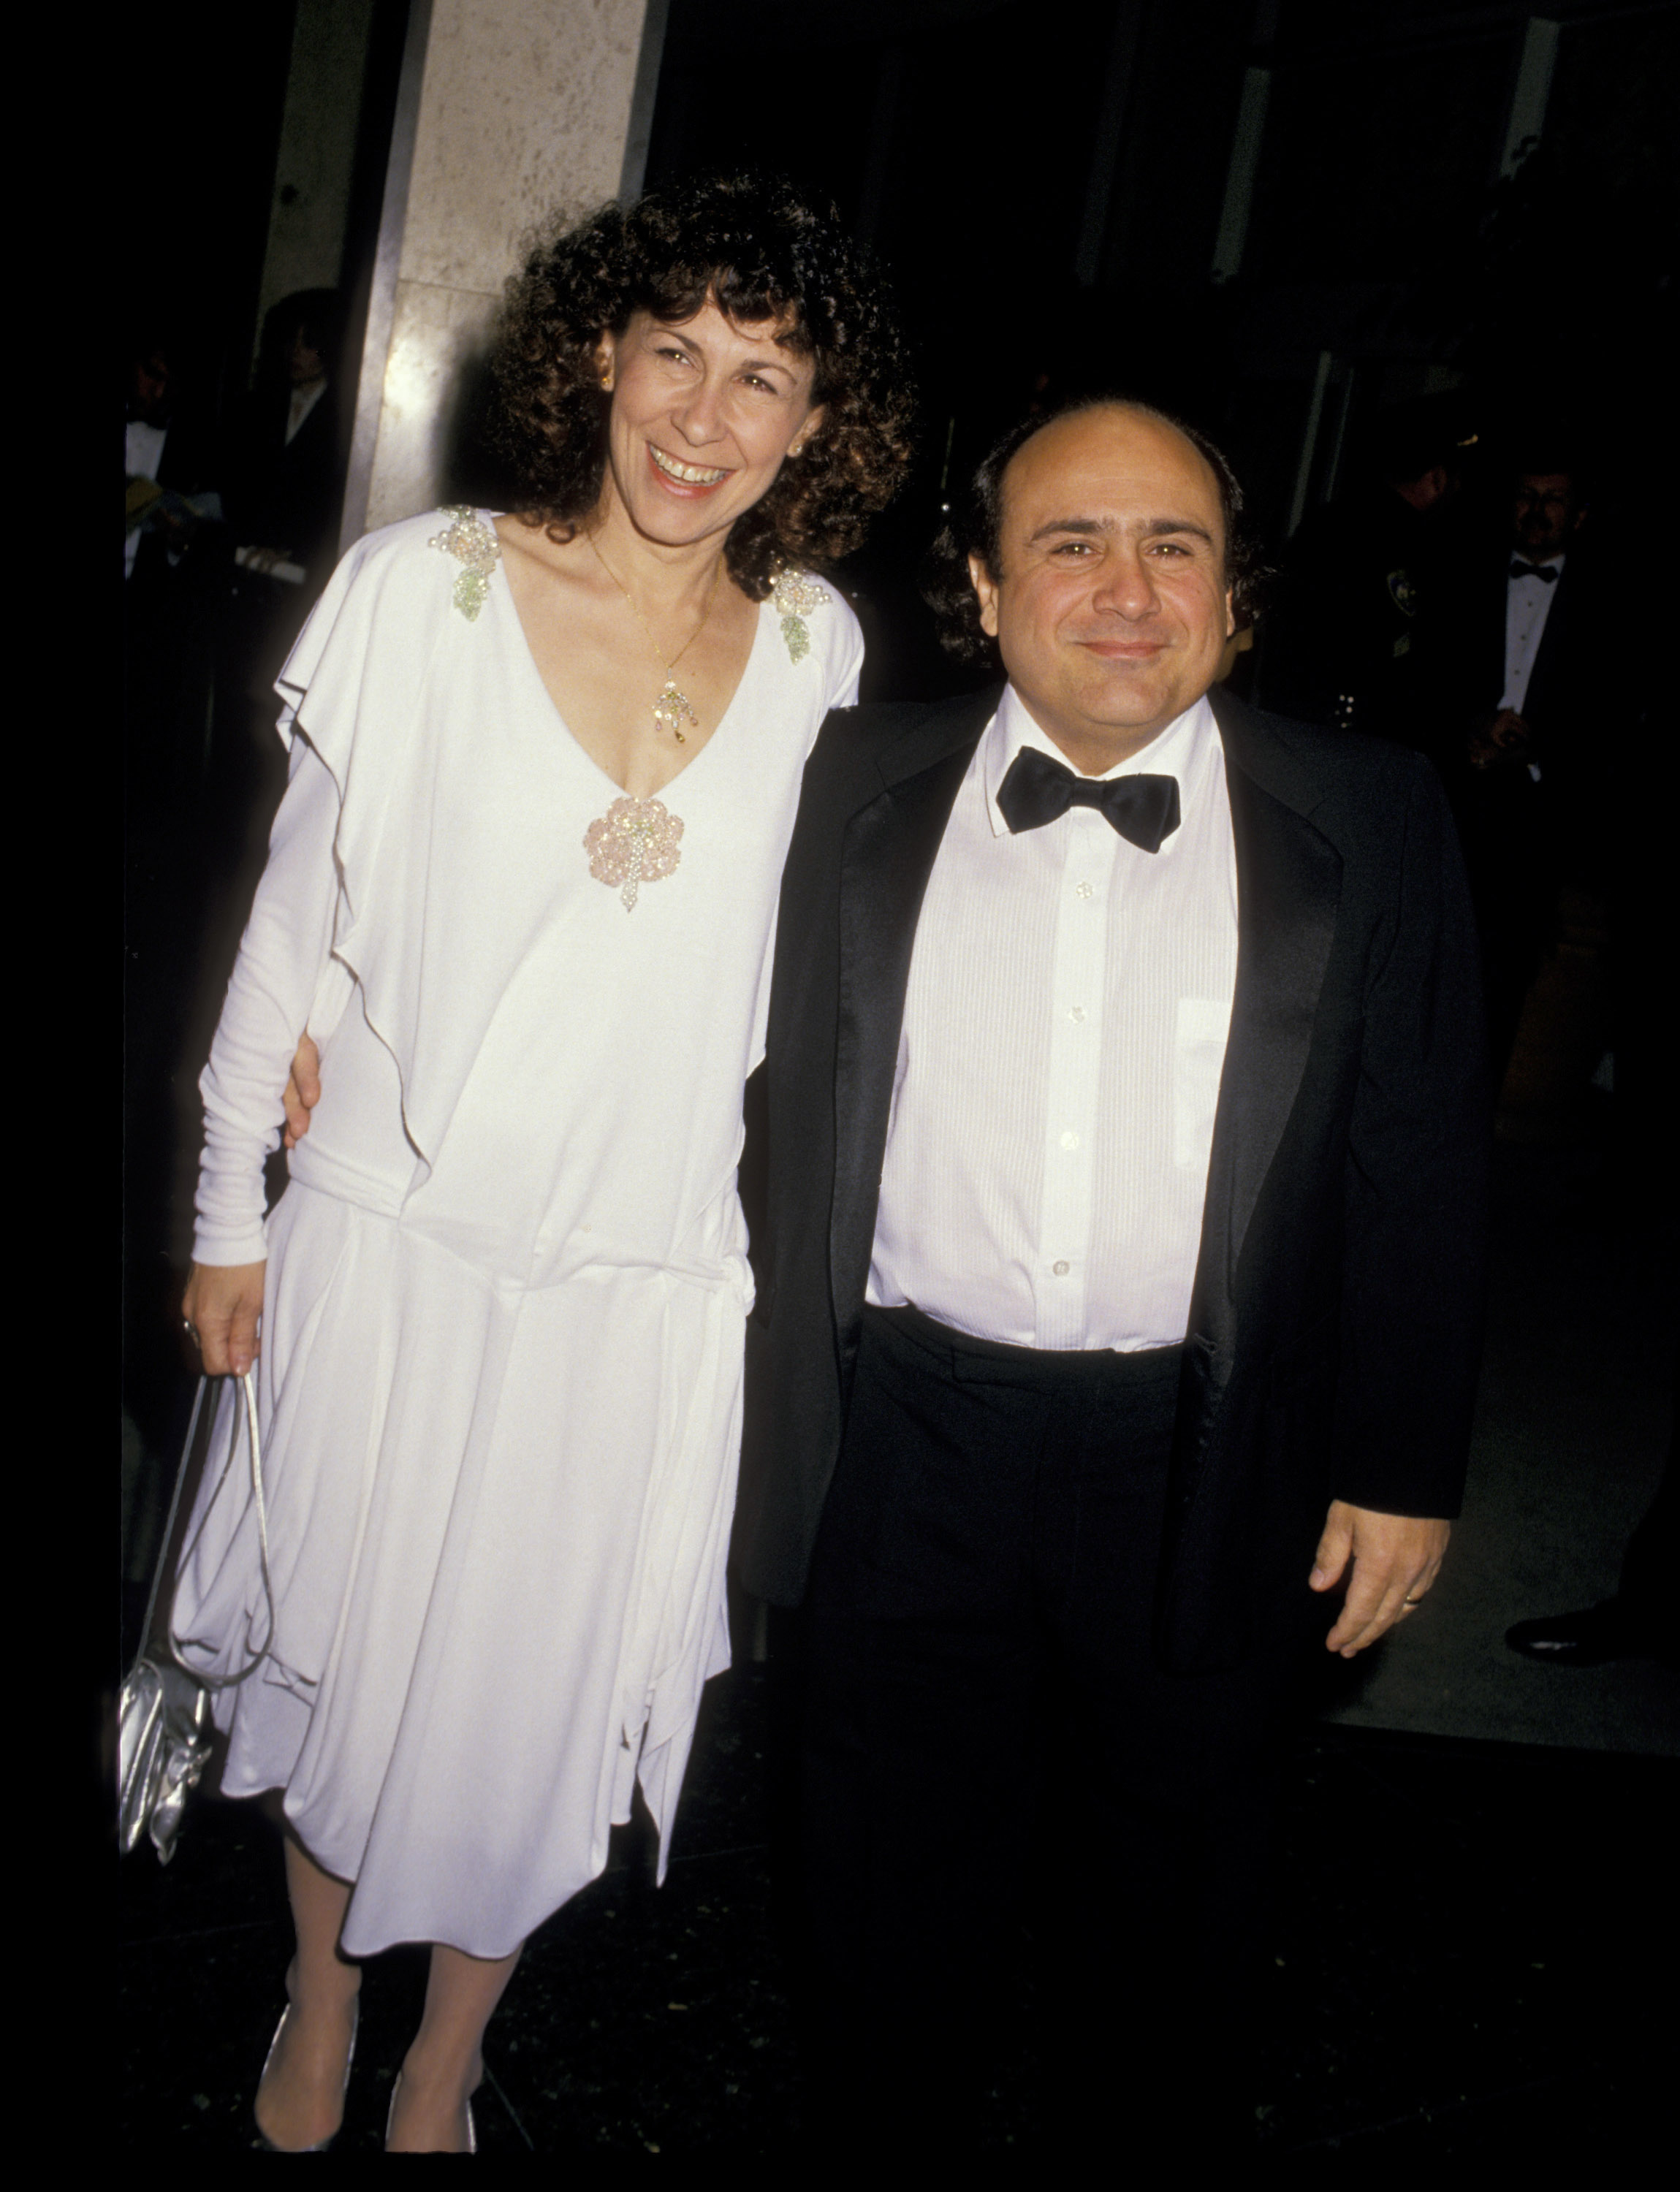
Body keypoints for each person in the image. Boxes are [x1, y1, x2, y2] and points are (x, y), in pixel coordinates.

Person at [170, 172, 910, 2154]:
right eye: (672, 347)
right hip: (388, 1243)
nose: (702, 415)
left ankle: (444, 2062)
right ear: (598, 351)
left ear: (817, 422)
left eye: (763, 376)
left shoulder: (825, 647)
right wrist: (224, 1209)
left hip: (639, 1287)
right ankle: (322, 2003)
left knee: (533, 1701)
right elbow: (294, 923)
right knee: (346, 1669)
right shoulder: (427, 588)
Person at [733, 397, 1489, 2154]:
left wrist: (1403, 1465)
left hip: (1216, 1442)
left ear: (1237, 598)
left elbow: (1423, 1158)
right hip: (902, 1427)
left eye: (1176, 546)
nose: (1127, 590)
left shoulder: (1370, 814)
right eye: (1071, 543)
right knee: (881, 1888)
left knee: (1180, 1893)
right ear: (983, 591)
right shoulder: (840, 782)